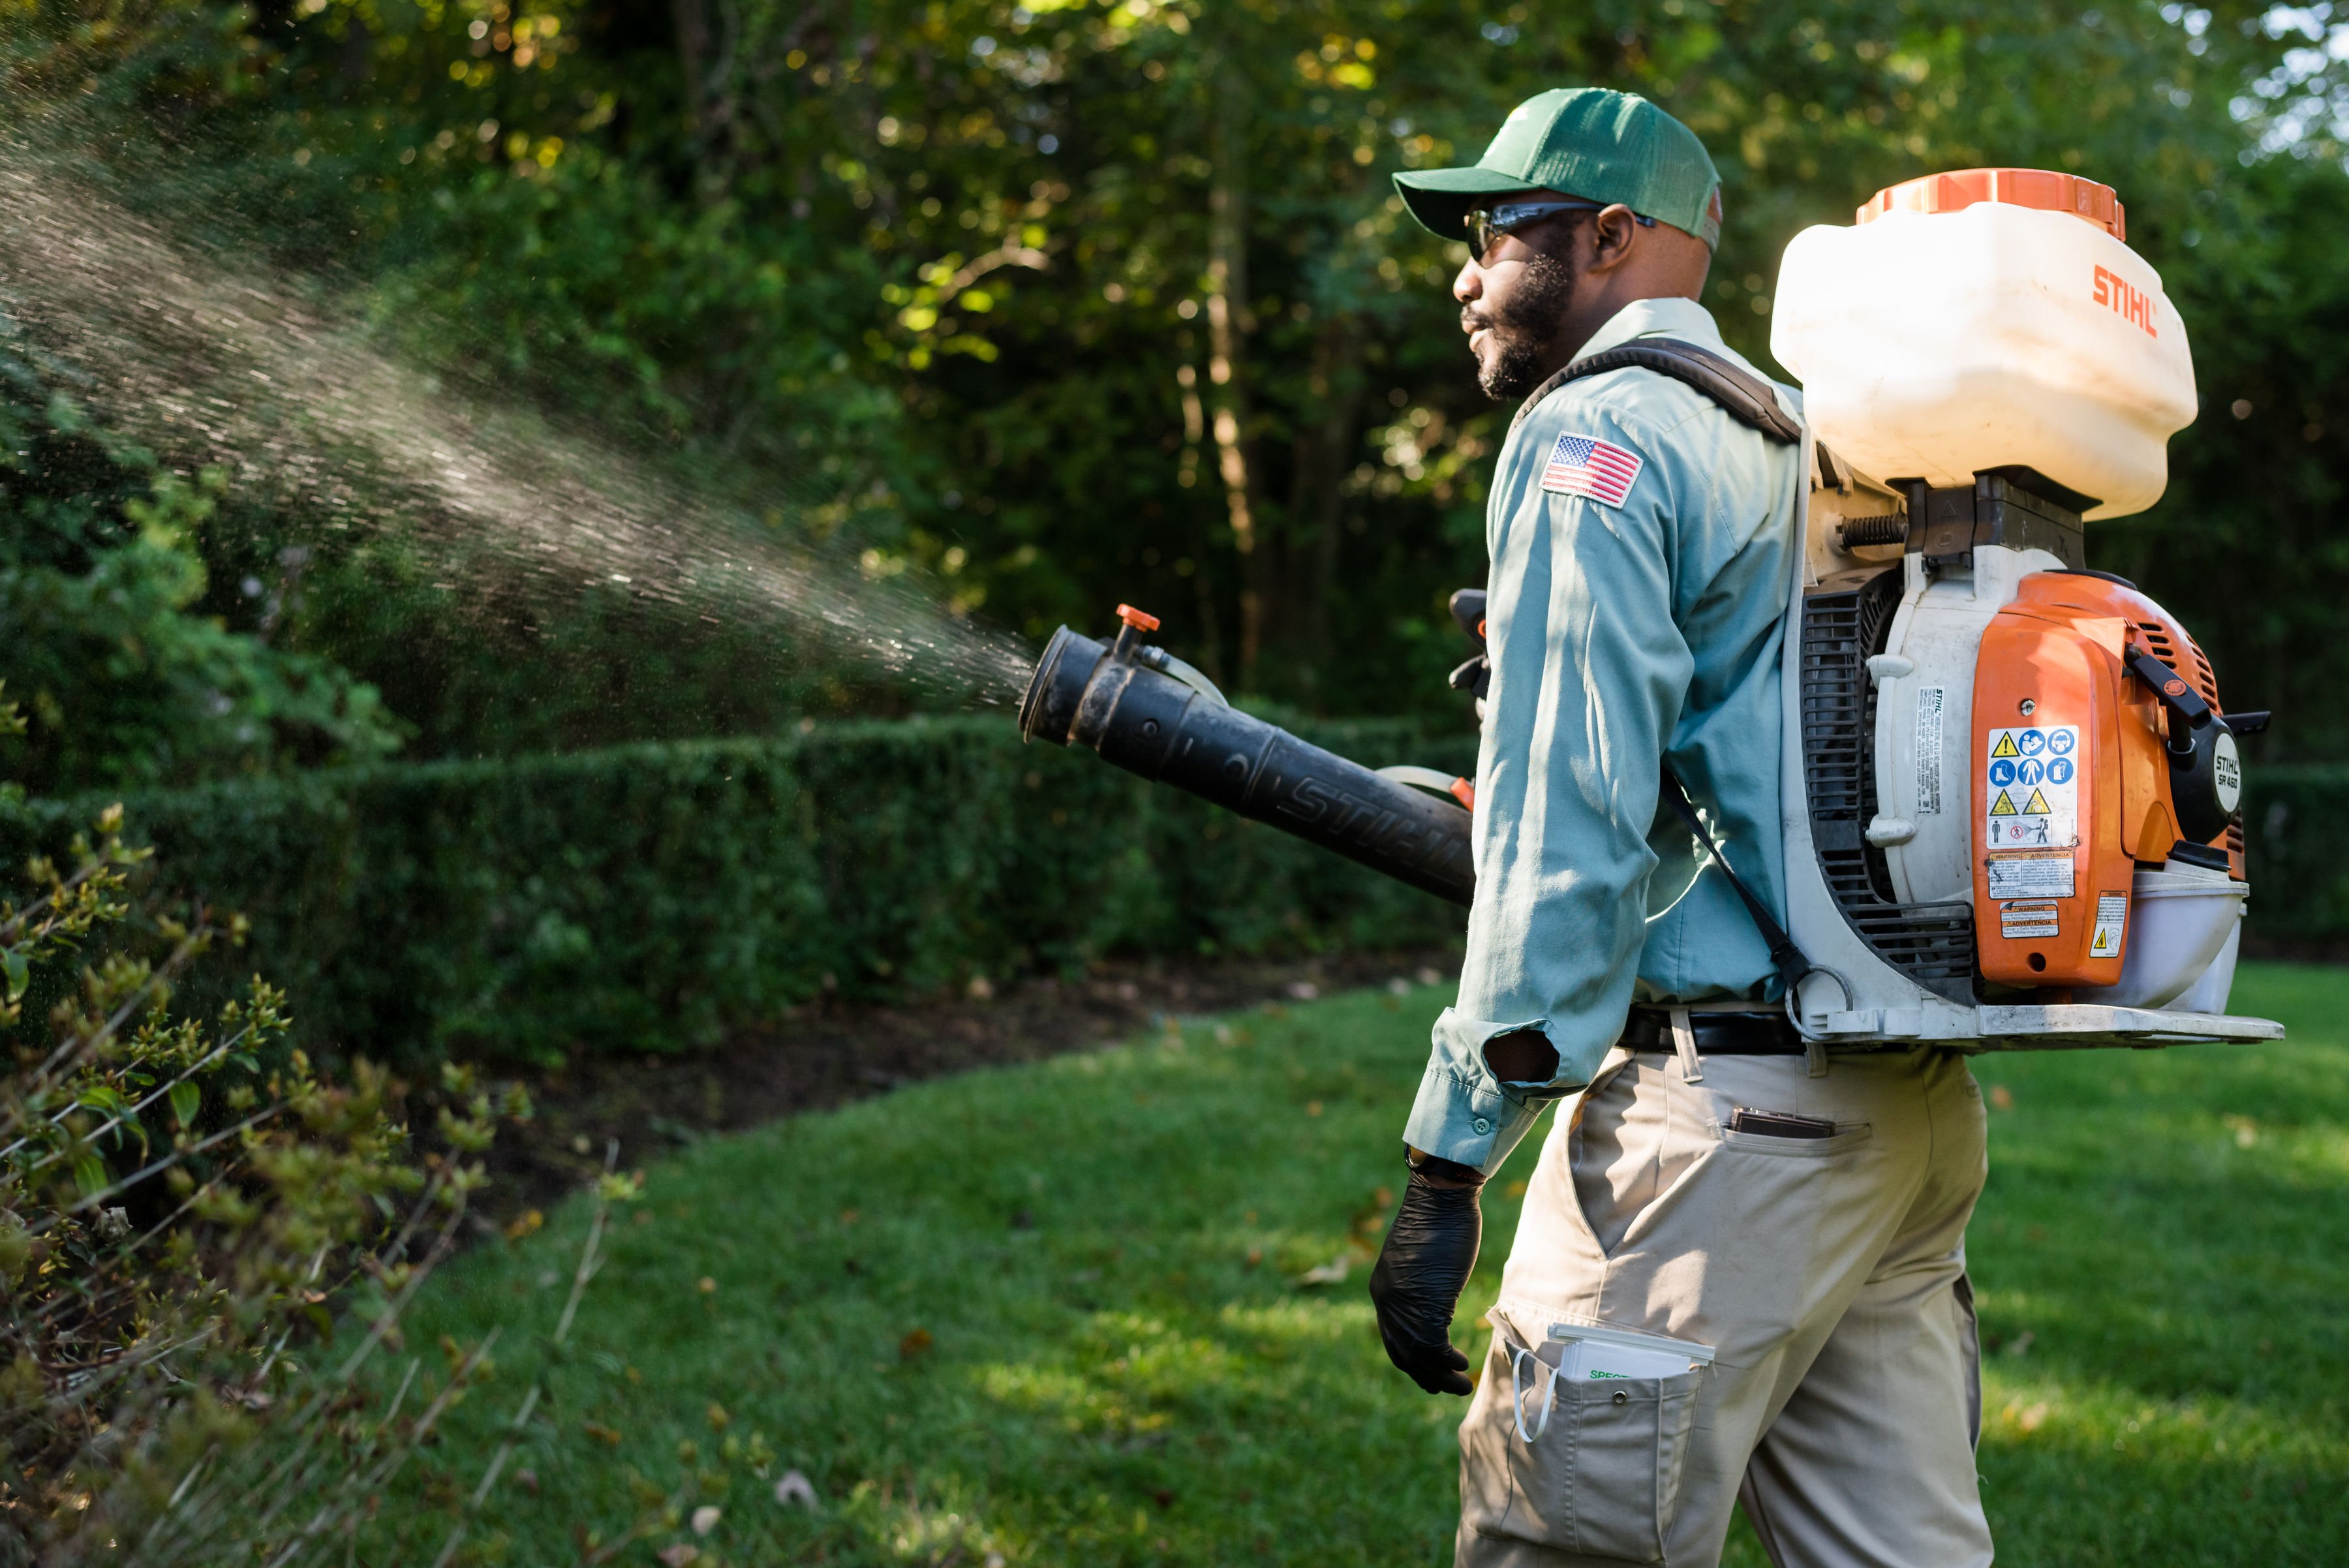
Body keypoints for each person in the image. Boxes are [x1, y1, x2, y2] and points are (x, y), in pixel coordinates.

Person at [1366, 88, 1993, 1568]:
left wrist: (1451, 1158)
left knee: (1560, 1539)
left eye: (1492, 227)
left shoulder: (1597, 435)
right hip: (1898, 1114)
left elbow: (1564, 833)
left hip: (1721, 1142)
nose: (1465, 268)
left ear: (1606, 237)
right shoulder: (1808, 439)